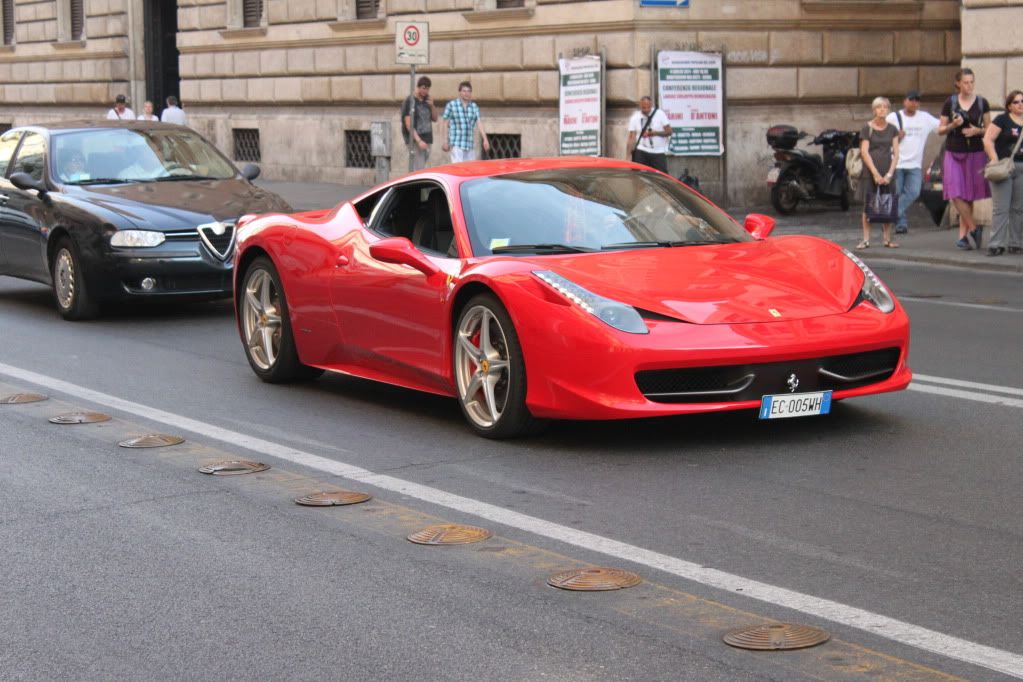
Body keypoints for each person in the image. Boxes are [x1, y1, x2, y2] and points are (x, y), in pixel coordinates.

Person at [938, 68, 991, 250]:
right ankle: (975, 229)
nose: (969, 86)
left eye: (971, 82)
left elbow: (989, 129)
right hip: (953, 151)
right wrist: (954, 124)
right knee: (955, 192)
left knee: (969, 195)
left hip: (976, 153)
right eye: (966, 82)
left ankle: (962, 238)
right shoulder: (950, 102)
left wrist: (977, 130)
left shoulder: (982, 103)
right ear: (958, 83)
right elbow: (940, 130)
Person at [886, 90, 939, 234]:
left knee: (914, 192)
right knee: (897, 193)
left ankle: (891, 213)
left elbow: (940, 127)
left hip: (915, 164)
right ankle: (901, 223)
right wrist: (896, 137)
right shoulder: (893, 117)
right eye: (911, 99)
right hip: (896, 162)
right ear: (904, 101)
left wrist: (955, 124)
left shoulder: (925, 118)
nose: (914, 103)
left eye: (917, 100)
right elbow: (882, 136)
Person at [981, 90, 1023, 257]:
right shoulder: (1002, 120)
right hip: (1003, 167)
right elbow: (988, 139)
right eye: (1016, 102)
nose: (1020, 104)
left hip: (1021, 166)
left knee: (1019, 208)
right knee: (1001, 208)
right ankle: (996, 244)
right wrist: (994, 159)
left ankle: (1016, 242)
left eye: (1022, 101)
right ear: (1009, 106)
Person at [856, 96, 901, 249]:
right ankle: (866, 239)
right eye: (879, 107)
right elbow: (864, 152)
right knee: (868, 204)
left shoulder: (892, 129)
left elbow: (896, 153)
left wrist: (889, 174)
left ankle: (887, 239)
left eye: (885, 107)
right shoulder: (867, 128)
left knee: (887, 203)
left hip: (887, 169)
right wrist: (875, 173)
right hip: (870, 171)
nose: (882, 109)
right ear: (874, 110)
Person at [441, 81, 490, 163]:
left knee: (470, 171)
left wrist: (485, 139)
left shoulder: (474, 106)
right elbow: (445, 123)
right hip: (456, 144)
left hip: (469, 144)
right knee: (458, 170)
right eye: (464, 91)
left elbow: (479, 123)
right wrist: (445, 141)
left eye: (469, 91)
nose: (466, 93)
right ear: (459, 92)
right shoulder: (451, 105)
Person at [626, 96, 672, 173]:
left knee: (662, 177)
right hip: (641, 150)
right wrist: (628, 156)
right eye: (644, 108)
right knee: (638, 175)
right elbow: (631, 137)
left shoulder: (660, 114)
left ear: (651, 105)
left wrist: (655, 133)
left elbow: (669, 132)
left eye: (648, 107)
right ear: (640, 106)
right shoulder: (635, 117)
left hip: (658, 151)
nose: (646, 110)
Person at [401, 76, 438, 171]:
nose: (425, 91)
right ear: (418, 87)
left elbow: (435, 118)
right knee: (417, 169)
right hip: (415, 140)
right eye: (423, 88)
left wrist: (432, 106)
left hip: (427, 138)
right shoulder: (410, 101)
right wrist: (419, 141)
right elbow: (408, 124)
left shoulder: (427, 100)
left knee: (422, 167)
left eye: (427, 89)